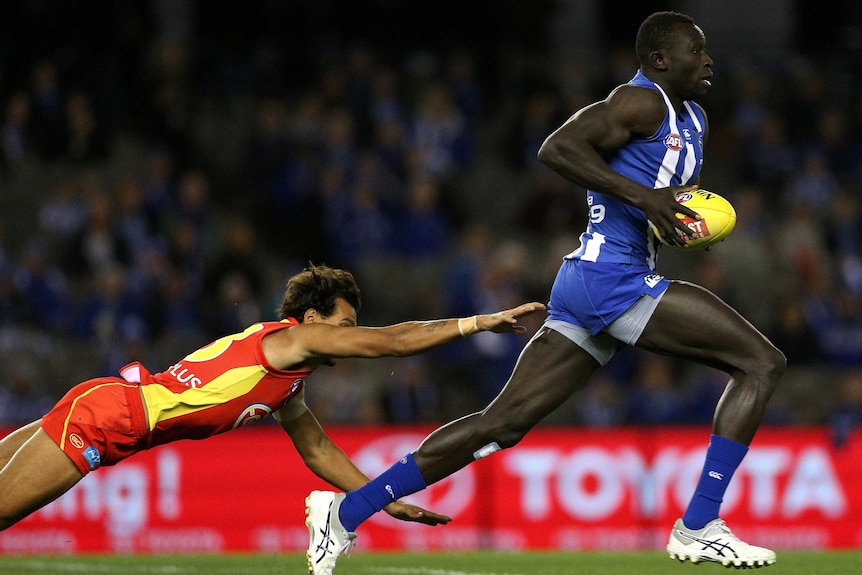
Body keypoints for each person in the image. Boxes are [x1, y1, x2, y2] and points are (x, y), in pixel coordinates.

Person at [305, 11, 785, 574]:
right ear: (660, 59)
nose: (708, 60)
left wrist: (675, 216)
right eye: (696, 51)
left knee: (498, 425)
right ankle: (701, 524)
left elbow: (651, 199)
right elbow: (556, 149)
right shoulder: (641, 103)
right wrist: (646, 199)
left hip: (594, 279)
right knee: (761, 363)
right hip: (613, 278)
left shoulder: (694, 118)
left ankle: (342, 515)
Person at [0, 264, 545, 547]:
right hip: (108, 418)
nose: (350, 338)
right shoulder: (291, 339)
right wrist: (480, 321)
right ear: (312, 320)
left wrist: (384, 497)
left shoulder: (288, 378)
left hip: (107, 407)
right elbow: (394, 342)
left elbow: (316, 449)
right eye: (345, 325)